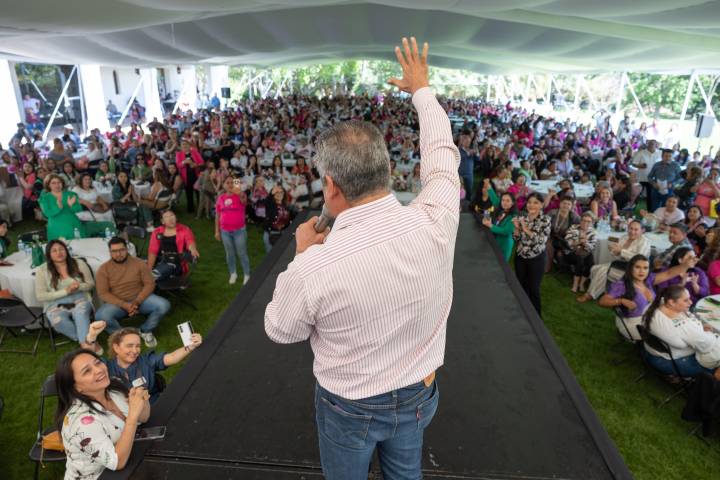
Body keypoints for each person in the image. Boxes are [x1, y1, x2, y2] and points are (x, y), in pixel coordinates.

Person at [264, 38, 448, 479]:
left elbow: (280, 329)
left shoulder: (315, 266)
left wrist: (303, 254)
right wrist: (423, 91)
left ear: (329, 185)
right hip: (421, 393)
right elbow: (442, 160)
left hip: (351, 405)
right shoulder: (437, 219)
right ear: (387, 169)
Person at [55, 348, 150, 480]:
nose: (99, 370)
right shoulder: (81, 422)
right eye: (87, 371)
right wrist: (132, 416)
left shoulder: (114, 389)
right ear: (76, 387)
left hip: (129, 464)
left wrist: (141, 400)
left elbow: (144, 418)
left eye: (97, 362)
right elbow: (117, 462)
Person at [87, 325, 202, 404]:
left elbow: (171, 358)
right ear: (116, 347)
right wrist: (91, 338)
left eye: (138, 346)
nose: (135, 350)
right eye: (129, 346)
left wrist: (190, 346)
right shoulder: (106, 367)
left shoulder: (146, 361)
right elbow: (86, 359)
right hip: (124, 416)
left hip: (155, 406)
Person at [598, 254, 700, 341]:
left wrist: (686, 265)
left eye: (645, 268)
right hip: (634, 324)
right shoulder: (622, 285)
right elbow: (602, 301)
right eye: (637, 267)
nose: (641, 271)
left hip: (650, 318)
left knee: (681, 320)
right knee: (674, 330)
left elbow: (669, 273)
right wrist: (621, 300)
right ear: (630, 268)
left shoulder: (648, 279)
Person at [95, 237, 170, 348]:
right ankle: (122, 336)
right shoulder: (103, 269)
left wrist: (137, 302)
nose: (118, 254)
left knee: (164, 305)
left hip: (140, 300)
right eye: (114, 251)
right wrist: (125, 305)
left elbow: (150, 284)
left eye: (121, 250)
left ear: (127, 249)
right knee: (101, 315)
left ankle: (145, 330)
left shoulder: (139, 263)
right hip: (118, 304)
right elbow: (103, 293)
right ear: (110, 252)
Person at [641, 285, 720, 378]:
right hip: (672, 363)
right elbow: (707, 346)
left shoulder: (653, 307)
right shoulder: (683, 326)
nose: (691, 302)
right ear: (671, 302)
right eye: (686, 300)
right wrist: (710, 333)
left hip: (651, 353)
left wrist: (700, 328)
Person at [35, 240, 99, 351]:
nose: (59, 253)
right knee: (57, 320)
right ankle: (86, 340)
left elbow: (91, 284)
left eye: (61, 249)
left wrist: (79, 286)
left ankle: (86, 348)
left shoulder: (79, 263)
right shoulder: (42, 270)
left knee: (80, 313)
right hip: (55, 303)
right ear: (48, 254)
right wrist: (65, 291)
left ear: (66, 250)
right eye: (54, 251)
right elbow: (40, 296)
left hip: (80, 298)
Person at [578, 220, 651, 302]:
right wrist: (613, 250)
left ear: (642, 231)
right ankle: (603, 291)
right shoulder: (624, 237)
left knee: (602, 270)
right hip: (620, 265)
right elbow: (616, 254)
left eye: (636, 229)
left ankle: (589, 295)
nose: (632, 232)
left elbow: (639, 260)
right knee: (595, 268)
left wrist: (621, 251)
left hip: (633, 270)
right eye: (630, 228)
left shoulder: (644, 241)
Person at [512, 192, 551, 314]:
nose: (531, 205)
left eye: (536, 202)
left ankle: (536, 317)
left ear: (542, 205)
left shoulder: (546, 220)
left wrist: (525, 229)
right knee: (521, 286)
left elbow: (541, 240)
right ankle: (522, 312)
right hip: (520, 257)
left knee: (533, 289)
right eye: (529, 202)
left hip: (536, 259)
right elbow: (516, 239)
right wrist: (517, 229)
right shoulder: (523, 218)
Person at [215, 177, 251, 285]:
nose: (230, 185)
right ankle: (233, 273)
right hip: (225, 231)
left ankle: (246, 274)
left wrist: (239, 191)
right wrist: (217, 231)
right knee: (229, 254)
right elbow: (217, 215)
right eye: (227, 182)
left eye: (232, 183)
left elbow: (244, 201)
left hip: (239, 231)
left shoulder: (240, 195)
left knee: (242, 253)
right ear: (224, 185)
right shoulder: (220, 198)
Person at [147, 210, 199, 281]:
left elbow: (190, 241)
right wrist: (149, 269)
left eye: (172, 215)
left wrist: (192, 249)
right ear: (162, 221)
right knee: (141, 272)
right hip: (160, 260)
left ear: (176, 218)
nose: (170, 219)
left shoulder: (184, 229)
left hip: (176, 263)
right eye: (166, 217)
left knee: (152, 277)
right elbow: (153, 251)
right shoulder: (157, 232)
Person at [39, 174, 85, 240]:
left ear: (62, 184)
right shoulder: (45, 198)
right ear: (48, 185)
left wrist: (71, 205)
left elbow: (78, 209)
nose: (57, 185)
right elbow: (47, 214)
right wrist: (58, 207)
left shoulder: (71, 194)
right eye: (53, 183)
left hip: (72, 223)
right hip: (56, 226)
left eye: (59, 182)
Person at [481, 182, 517, 261]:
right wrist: (489, 188)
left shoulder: (514, 216)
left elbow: (505, 231)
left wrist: (490, 225)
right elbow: (495, 200)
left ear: (512, 203)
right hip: (494, 241)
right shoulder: (501, 210)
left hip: (504, 245)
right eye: (503, 200)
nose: (504, 203)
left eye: (508, 201)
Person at [564, 212, 597, 293]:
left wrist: (585, 243)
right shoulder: (573, 228)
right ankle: (575, 284)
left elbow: (592, 246)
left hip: (585, 252)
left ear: (592, 223)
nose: (585, 223)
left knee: (590, 261)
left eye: (588, 221)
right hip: (571, 252)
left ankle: (581, 283)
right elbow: (567, 243)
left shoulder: (593, 232)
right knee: (580, 260)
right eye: (583, 220)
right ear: (580, 220)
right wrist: (579, 242)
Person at [262, 185, 293, 252]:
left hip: (283, 233)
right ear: (273, 194)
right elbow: (266, 202)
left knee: (283, 254)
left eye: (281, 192)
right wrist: (271, 194)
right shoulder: (270, 204)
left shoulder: (286, 205)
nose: (279, 194)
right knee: (271, 256)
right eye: (277, 192)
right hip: (271, 234)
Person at [175, 140, 204, 212]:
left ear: (189, 145)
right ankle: (191, 209)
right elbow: (178, 165)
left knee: (198, 193)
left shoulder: (195, 152)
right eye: (183, 145)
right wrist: (184, 162)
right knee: (189, 193)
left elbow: (202, 162)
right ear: (181, 147)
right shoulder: (179, 154)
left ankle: (200, 207)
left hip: (196, 175)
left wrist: (195, 165)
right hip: (186, 177)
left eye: (186, 144)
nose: (185, 146)